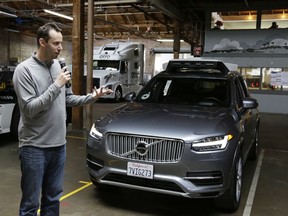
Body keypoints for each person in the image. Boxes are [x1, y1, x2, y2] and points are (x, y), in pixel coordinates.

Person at [12, 22, 112, 216]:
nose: (60, 48)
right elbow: (30, 109)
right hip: (34, 147)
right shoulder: (24, 70)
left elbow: (66, 98)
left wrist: (92, 97)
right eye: (56, 43)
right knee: (31, 203)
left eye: (61, 43)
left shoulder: (59, 65)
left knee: (52, 199)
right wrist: (56, 85)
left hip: (59, 145)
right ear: (42, 42)